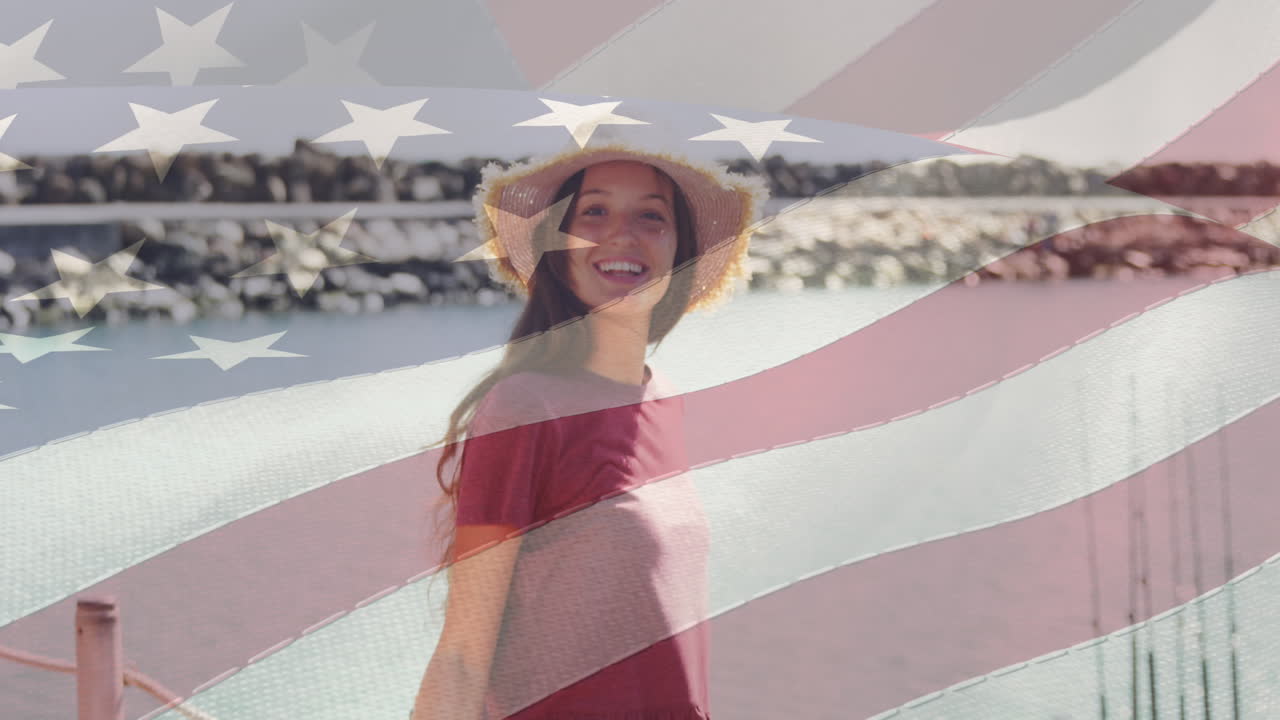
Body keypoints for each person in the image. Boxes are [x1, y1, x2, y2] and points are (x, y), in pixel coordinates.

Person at [410, 137, 768, 719]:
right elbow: (463, 657)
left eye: (651, 216)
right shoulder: (524, 408)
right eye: (594, 212)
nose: (622, 234)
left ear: (679, 249)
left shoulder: (661, 398)